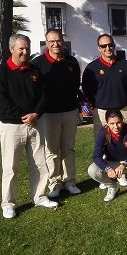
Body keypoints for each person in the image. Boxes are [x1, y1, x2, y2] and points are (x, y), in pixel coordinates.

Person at [0, 34, 58, 219]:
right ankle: (8, 204)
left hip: (35, 123)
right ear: (11, 49)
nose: (25, 52)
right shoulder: (1, 72)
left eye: (27, 48)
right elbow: (2, 101)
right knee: (10, 167)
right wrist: (24, 117)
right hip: (12, 127)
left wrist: (36, 114)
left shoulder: (34, 70)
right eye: (21, 48)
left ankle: (39, 196)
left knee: (39, 164)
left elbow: (44, 96)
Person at [31, 29, 82, 198]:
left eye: (58, 40)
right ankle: (55, 183)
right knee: (52, 150)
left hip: (69, 111)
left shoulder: (72, 62)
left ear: (63, 41)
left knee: (68, 148)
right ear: (46, 43)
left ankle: (70, 181)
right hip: (48, 114)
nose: (55, 44)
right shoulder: (38, 64)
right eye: (51, 41)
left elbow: (75, 86)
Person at [82, 34, 127, 139]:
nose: (108, 48)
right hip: (101, 113)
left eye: (110, 45)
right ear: (99, 48)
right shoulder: (91, 68)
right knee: (102, 145)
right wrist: (97, 103)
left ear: (114, 46)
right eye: (104, 46)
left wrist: (124, 99)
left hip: (123, 111)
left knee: (125, 143)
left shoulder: (125, 65)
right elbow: (87, 89)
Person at [88, 109, 127, 201]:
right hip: (111, 163)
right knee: (92, 170)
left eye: (118, 123)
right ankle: (112, 186)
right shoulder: (102, 133)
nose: (116, 127)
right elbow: (96, 156)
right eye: (112, 123)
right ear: (107, 123)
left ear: (122, 120)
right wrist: (107, 168)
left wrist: (124, 164)